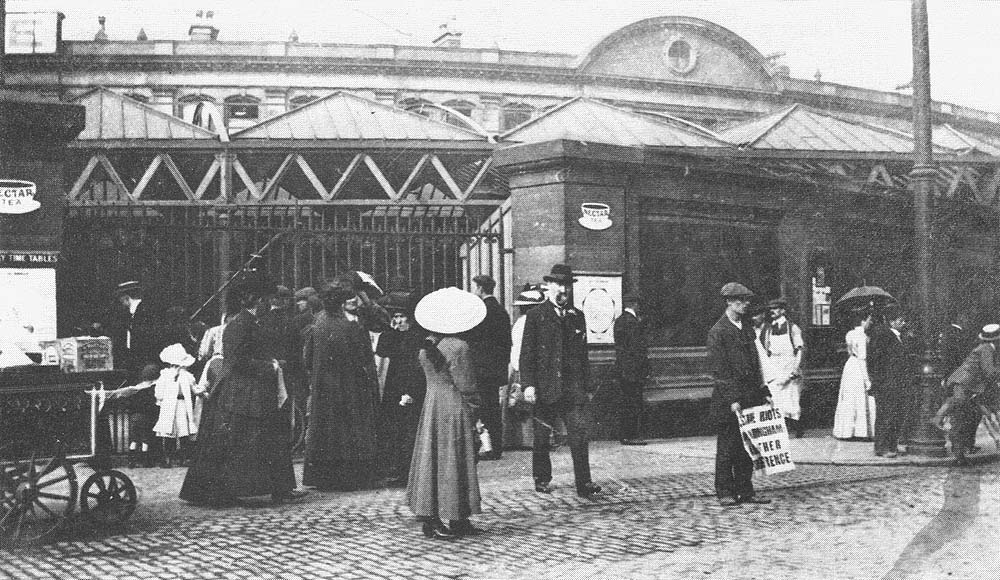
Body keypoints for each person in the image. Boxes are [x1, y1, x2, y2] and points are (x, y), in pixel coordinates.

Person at [179, 272, 305, 506]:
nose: (270, 303)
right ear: (258, 301)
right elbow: (236, 362)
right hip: (243, 392)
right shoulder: (239, 325)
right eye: (266, 299)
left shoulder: (250, 323)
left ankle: (278, 488)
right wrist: (270, 365)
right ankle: (224, 491)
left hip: (255, 390)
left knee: (262, 440)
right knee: (237, 443)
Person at [408, 287, 485, 540]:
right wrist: (475, 412)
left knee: (433, 460)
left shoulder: (426, 347)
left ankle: (433, 518)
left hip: (432, 406)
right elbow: (467, 385)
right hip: (454, 407)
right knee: (455, 460)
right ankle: (457, 516)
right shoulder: (459, 346)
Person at [520, 264, 601, 497]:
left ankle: (584, 483)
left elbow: (583, 355)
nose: (563, 290)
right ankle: (542, 478)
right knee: (542, 436)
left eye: (566, 285)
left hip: (572, 389)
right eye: (558, 285)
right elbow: (527, 353)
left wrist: (587, 386)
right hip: (545, 387)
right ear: (549, 286)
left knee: (579, 435)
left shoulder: (577, 317)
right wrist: (529, 385)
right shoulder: (536, 316)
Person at [301, 279, 380, 491]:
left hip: (323, 387)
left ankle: (322, 475)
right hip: (349, 386)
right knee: (347, 431)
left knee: (325, 429)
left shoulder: (316, 323)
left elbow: (307, 358)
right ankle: (348, 476)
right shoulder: (351, 327)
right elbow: (364, 358)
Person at [707, 282, 772, 507]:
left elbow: (756, 363)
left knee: (748, 447)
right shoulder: (718, 331)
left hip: (751, 395)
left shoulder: (745, 328)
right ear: (728, 302)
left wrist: (764, 391)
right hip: (729, 400)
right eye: (740, 301)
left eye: (746, 301)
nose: (745, 305)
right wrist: (733, 399)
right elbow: (720, 370)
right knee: (727, 447)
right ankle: (724, 491)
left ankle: (745, 490)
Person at [375, 290, 427, 486]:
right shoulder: (392, 335)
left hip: (411, 386)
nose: (399, 321)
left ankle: (408, 471)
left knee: (409, 430)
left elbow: (418, 367)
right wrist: (391, 330)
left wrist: (412, 391)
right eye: (395, 317)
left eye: (402, 316)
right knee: (394, 429)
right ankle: (396, 469)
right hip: (394, 386)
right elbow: (383, 351)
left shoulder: (417, 336)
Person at [934, 323, 1000, 465]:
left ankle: (960, 453)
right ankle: (958, 455)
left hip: (966, 387)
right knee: (960, 420)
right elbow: (989, 372)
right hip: (964, 387)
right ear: (996, 339)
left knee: (965, 418)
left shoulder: (985, 348)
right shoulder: (987, 349)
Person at [468, 274, 512, 460]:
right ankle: (496, 446)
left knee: (483, 408)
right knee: (493, 407)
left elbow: (474, 341)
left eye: (474, 287)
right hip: (496, 369)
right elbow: (506, 343)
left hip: (481, 369)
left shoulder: (481, 312)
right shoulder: (501, 311)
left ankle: (488, 447)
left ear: (480, 288)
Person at [504, 284, 546, 449]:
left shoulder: (520, 323)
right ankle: (528, 440)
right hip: (525, 367)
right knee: (526, 404)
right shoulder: (527, 323)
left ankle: (522, 439)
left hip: (519, 366)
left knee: (521, 403)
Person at [867, 307, 912, 458]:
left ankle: (891, 445)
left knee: (895, 415)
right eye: (900, 320)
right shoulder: (882, 335)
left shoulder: (897, 336)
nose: (903, 323)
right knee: (885, 415)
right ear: (892, 321)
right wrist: (877, 382)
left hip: (896, 383)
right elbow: (875, 361)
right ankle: (881, 447)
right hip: (886, 384)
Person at [758, 298, 806, 438]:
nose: (772, 311)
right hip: (774, 365)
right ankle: (778, 428)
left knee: (792, 398)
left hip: (788, 363)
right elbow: (765, 349)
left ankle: (797, 429)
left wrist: (795, 368)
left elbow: (800, 349)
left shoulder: (793, 328)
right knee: (775, 397)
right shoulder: (767, 329)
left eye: (776, 308)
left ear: (783, 310)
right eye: (771, 308)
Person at [152, 343, 201, 468]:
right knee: (169, 431)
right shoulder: (165, 375)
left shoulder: (187, 376)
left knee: (183, 430)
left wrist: (202, 390)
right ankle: (169, 458)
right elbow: (159, 392)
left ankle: (182, 458)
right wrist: (161, 401)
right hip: (169, 404)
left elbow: (195, 389)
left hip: (182, 404)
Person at [832, 310, 876, 440]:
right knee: (861, 398)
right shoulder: (862, 336)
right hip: (859, 367)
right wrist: (867, 380)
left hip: (850, 365)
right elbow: (862, 358)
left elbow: (850, 351)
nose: (870, 323)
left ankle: (846, 430)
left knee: (849, 399)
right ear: (863, 321)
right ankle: (861, 431)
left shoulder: (850, 334)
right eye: (869, 320)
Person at [939, 312, 979, 454]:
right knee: (964, 413)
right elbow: (959, 359)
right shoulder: (958, 335)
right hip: (962, 380)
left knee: (958, 412)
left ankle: (961, 445)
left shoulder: (947, 333)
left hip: (952, 379)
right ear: (961, 318)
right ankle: (964, 445)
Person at [614, 292, 649, 446]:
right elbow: (637, 349)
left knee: (626, 403)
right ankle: (631, 435)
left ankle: (626, 435)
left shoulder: (620, 321)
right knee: (633, 404)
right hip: (634, 372)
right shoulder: (632, 322)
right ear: (635, 304)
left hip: (624, 371)